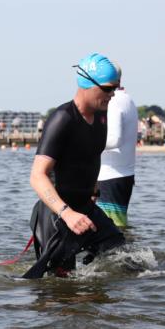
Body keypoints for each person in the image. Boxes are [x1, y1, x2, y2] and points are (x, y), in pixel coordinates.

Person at [24, 53, 125, 278]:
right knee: (60, 292)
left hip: (86, 208)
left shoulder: (102, 114)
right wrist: (67, 214)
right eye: (108, 89)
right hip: (58, 216)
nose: (113, 94)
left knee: (123, 258)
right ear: (88, 84)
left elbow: (89, 154)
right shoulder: (62, 119)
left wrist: (94, 187)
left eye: (116, 89)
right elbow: (37, 175)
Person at [96, 69, 137, 228]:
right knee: (118, 228)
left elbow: (114, 139)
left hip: (110, 176)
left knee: (111, 229)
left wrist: (86, 144)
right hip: (122, 175)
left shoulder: (114, 101)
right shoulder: (126, 98)